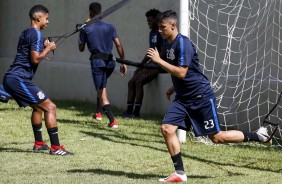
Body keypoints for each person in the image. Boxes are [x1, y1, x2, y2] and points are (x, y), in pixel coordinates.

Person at [146, 10, 272, 182]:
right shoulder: (167, 43)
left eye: (163, 27)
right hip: (183, 98)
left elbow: (182, 72)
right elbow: (186, 72)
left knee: (217, 138)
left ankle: (259, 136)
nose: (159, 31)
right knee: (167, 129)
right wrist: (173, 87)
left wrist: (159, 60)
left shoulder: (183, 44)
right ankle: (180, 173)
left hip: (200, 97)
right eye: (159, 28)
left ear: (173, 26)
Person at [2, 5, 73, 156]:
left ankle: (39, 143)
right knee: (50, 107)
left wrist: (44, 46)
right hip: (18, 78)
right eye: (46, 18)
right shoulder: (36, 34)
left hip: (13, 77)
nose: (48, 21)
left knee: (38, 107)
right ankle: (56, 148)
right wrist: (48, 48)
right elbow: (35, 59)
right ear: (38, 18)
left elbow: (28, 53)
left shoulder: (26, 32)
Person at [78, 2, 127, 128]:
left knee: (101, 91)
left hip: (97, 63)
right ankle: (98, 113)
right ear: (101, 12)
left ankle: (112, 121)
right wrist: (123, 62)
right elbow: (118, 45)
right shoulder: (110, 26)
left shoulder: (85, 28)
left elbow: (81, 48)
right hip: (110, 63)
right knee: (101, 86)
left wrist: (83, 28)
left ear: (90, 12)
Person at [121, 9, 164, 118]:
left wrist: (151, 65)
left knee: (139, 82)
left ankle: (136, 113)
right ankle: (128, 111)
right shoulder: (152, 33)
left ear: (156, 20)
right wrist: (141, 65)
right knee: (131, 82)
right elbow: (151, 51)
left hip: (160, 65)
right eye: (147, 21)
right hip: (151, 63)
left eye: (150, 21)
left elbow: (163, 53)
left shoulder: (162, 32)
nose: (148, 23)